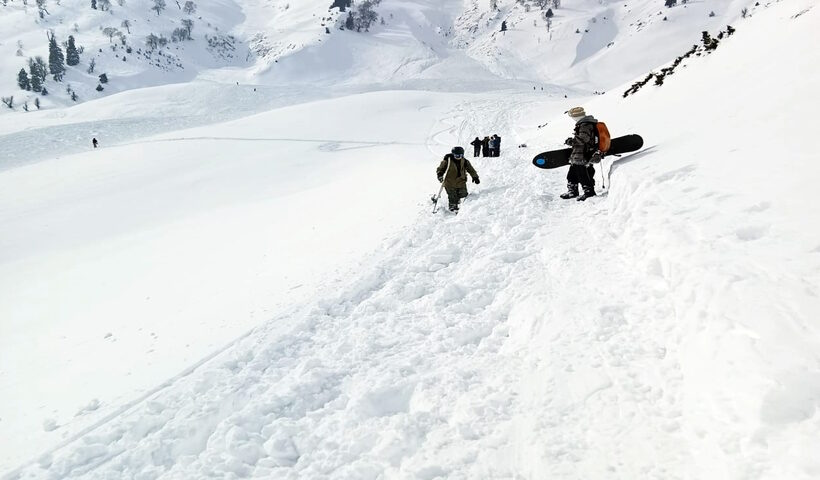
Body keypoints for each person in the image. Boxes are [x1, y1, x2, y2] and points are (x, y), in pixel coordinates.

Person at [561, 107, 600, 201]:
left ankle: (589, 192)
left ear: (577, 116)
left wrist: (571, 141)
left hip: (583, 154)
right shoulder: (585, 124)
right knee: (572, 174)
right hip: (580, 153)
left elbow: (583, 139)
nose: (572, 118)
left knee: (583, 174)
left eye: (573, 116)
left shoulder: (585, 125)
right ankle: (573, 191)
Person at [436, 146, 480, 213]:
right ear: (453, 154)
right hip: (449, 183)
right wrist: (440, 175)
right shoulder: (447, 160)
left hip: (461, 182)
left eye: (460, 155)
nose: (458, 157)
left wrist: (475, 177)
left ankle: (462, 205)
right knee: (452, 196)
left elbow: (471, 169)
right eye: (456, 155)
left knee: (463, 194)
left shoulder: (465, 161)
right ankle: (453, 207)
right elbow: (440, 169)